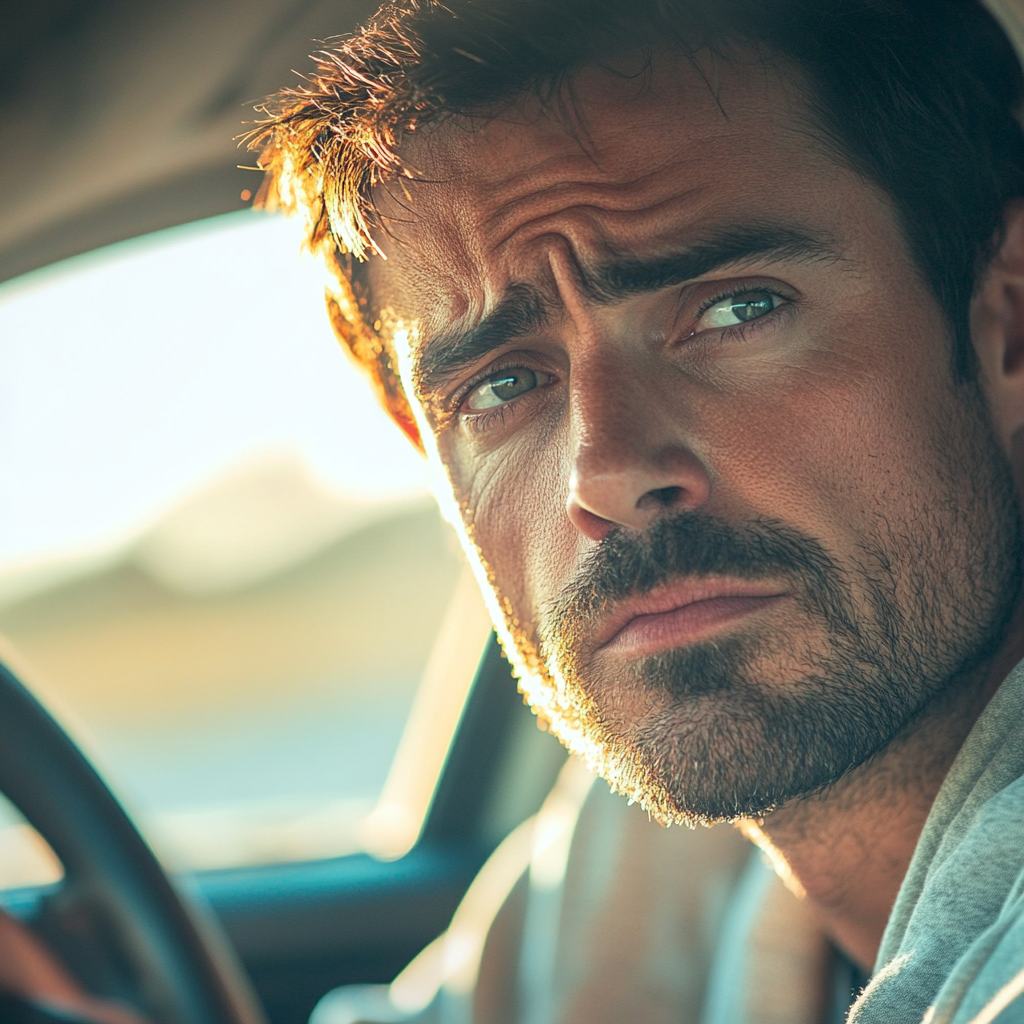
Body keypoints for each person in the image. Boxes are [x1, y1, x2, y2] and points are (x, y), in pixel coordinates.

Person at [245, 0, 1024, 1021]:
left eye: (733, 310)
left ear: (1006, 319)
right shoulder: (656, 840)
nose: (604, 474)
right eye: (501, 386)